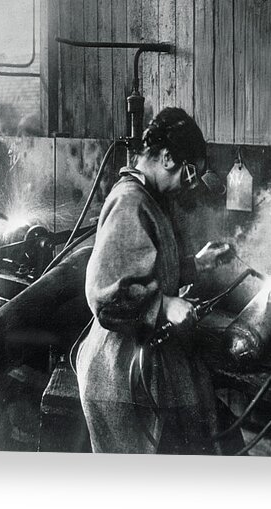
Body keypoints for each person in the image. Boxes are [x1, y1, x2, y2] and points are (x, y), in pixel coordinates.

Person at [76, 107, 231, 454]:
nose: (190, 183)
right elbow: (104, 296)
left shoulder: (151, 198)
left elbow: (147, 268)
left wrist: (196, 264)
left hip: (141, 361)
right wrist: (164, 305)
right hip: (118, 375)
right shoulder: (130, 201)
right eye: (189, 172)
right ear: (165, 157)